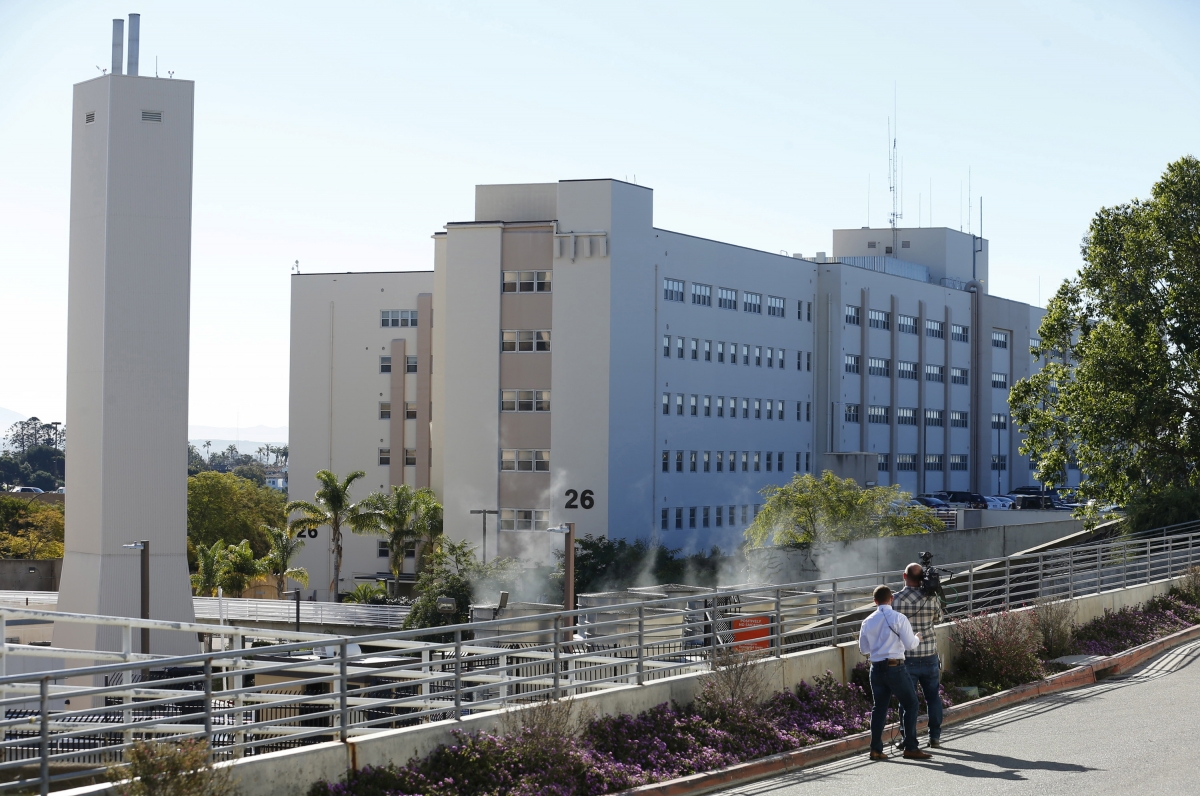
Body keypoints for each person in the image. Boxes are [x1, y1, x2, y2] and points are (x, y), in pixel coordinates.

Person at [858, 584, 933, 761]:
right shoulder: (899, 618)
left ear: (875, 601)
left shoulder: (867, 621)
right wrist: (918, 638)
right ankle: (911, 747)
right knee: (911, 704)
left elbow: (864, 648)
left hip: (876, 668)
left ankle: (876, 749)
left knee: (879, 708)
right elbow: (910, 645)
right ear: (891, 599)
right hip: (895, 667)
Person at [892, 562, 944, 749]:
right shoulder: (932, 598)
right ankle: (935, 737)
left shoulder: (895, 600)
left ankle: (908, 739)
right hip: (930, 654)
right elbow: (939, 618)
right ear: (922, 578)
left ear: (904, 576)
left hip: (906, 657)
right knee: (933, 697)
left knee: (907, 701)